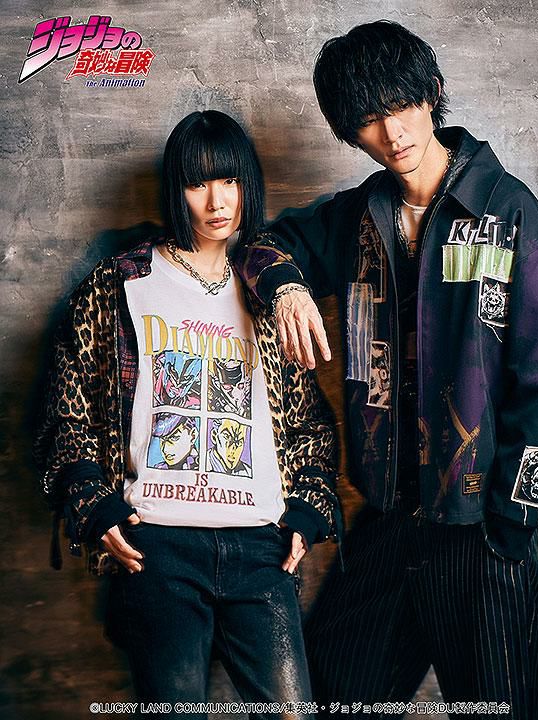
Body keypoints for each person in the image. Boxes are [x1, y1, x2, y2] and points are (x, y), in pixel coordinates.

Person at [234, 20, 538, 720]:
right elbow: (262, 245)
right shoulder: (360, 216)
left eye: (400, 105)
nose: (391, 133)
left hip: (481, 531)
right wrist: (288, 286)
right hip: (390, 518)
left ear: (433, 93)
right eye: (368, 119)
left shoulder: (510, 215)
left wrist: (511, 526)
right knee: (331, 695)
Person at [34, 110, 340, 718]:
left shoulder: (268, 291)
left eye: (229, 181)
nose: (217, 201)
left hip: (260, 545)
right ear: (177, 190)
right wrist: (94, 505)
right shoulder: (120, 284)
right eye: (198, 183)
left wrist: (306, 513)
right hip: (157, 545)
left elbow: (307, 421)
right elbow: (67, 410)